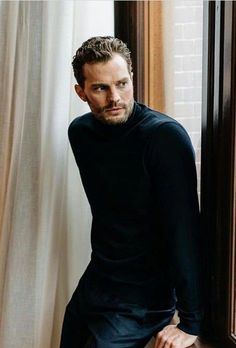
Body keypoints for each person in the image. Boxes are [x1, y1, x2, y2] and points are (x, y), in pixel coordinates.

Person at [60, 36, 203, 348]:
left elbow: (185, 231)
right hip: (97, 281)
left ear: (131, 79)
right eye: (100, 88)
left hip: (143, 298)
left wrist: (191, 320)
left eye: (122, 83)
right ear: (81, 92)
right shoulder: (80, 133)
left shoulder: (164, 138)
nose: (115, 97)